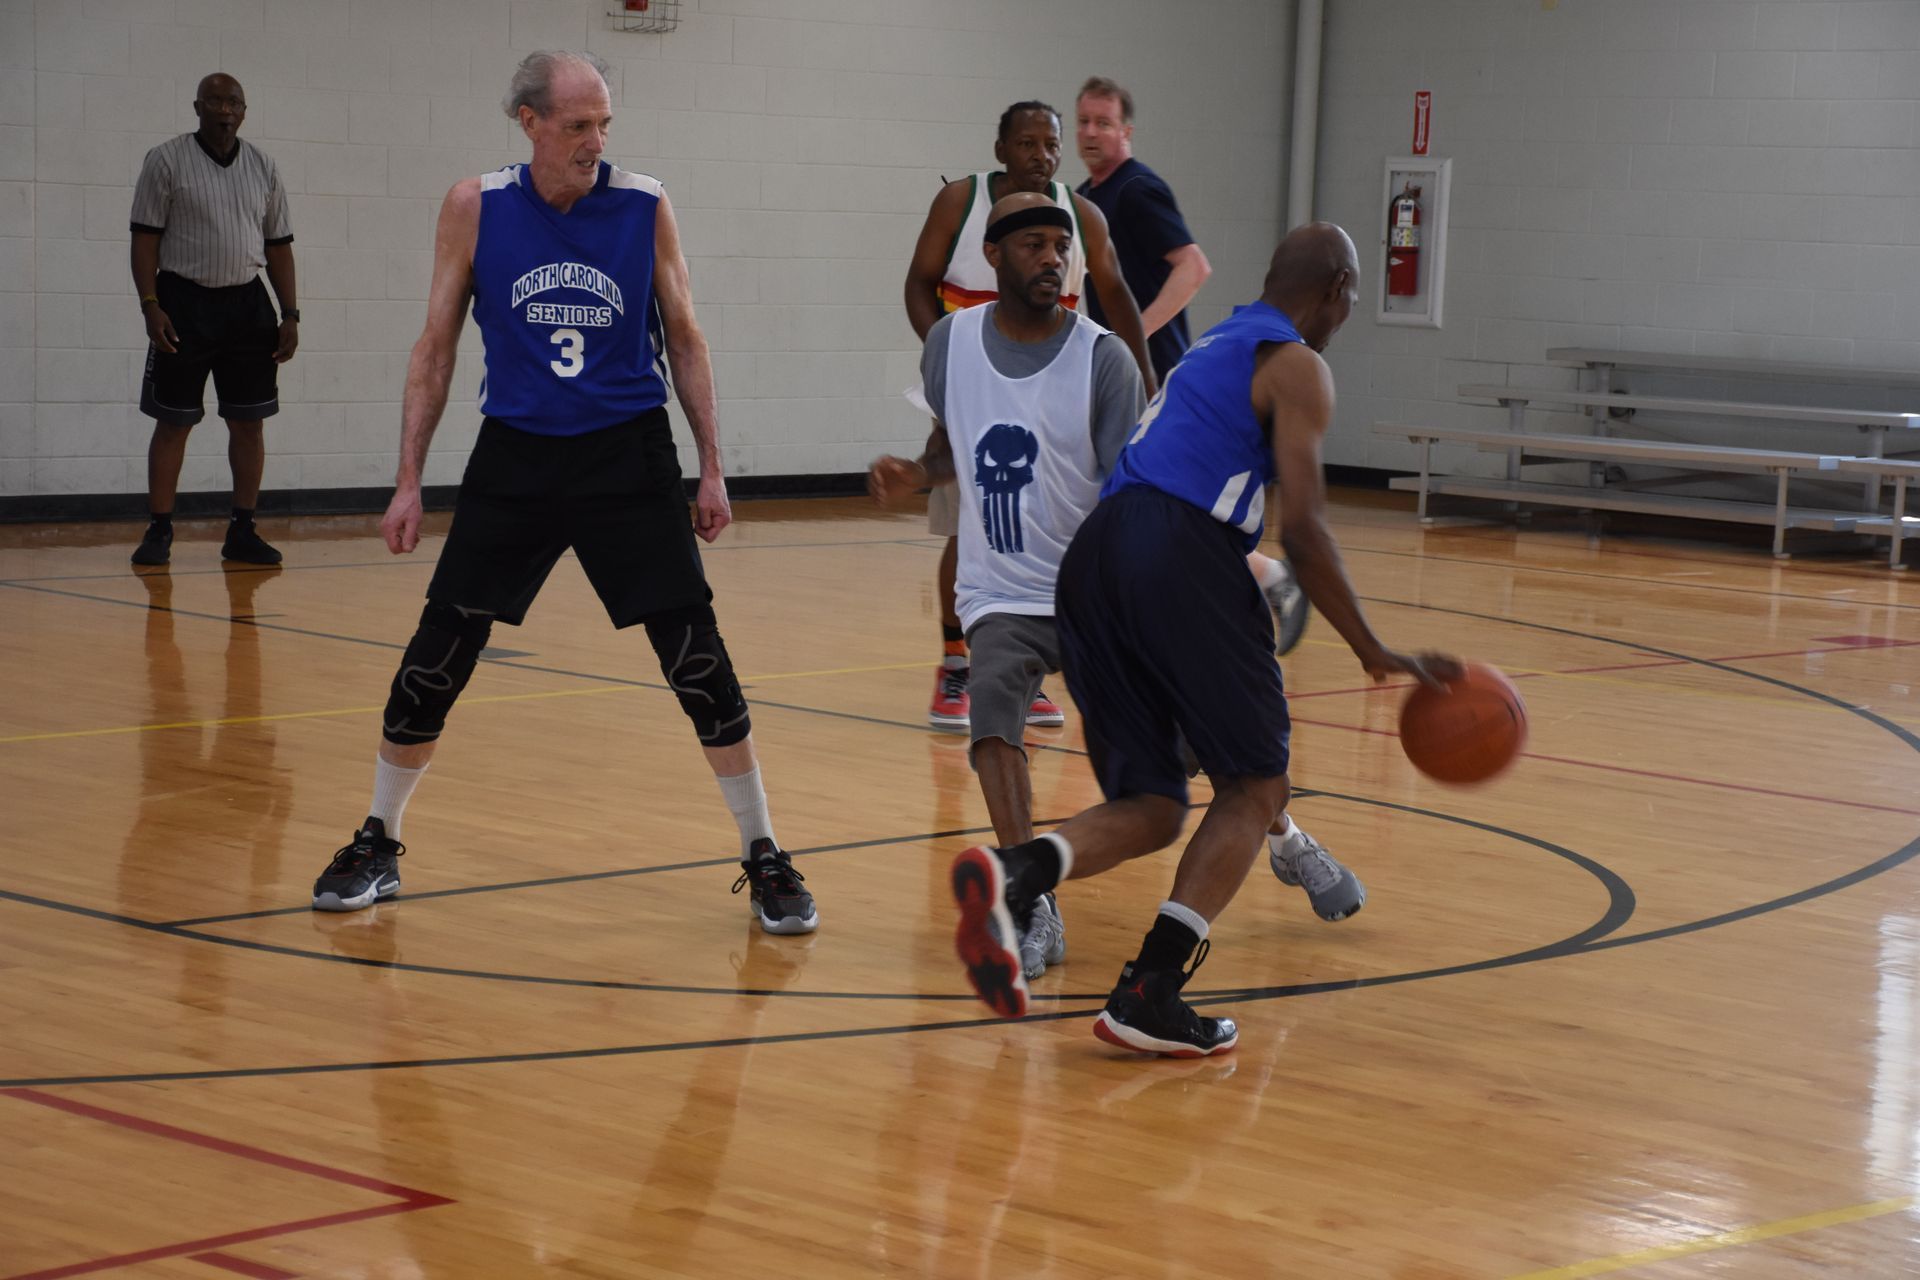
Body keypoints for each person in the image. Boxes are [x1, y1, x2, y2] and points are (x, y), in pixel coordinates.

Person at [308, 51, 817, 937]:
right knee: (439, 650)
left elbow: (687, 340)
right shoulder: (476, 207)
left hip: (627, 457)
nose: (596, 142)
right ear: (530, 122)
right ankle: (378, 840)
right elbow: (434, 347)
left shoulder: (644, 204)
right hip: (518, 459)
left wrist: (712, 465)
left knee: (695, 657)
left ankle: (764, 852)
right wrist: (406, 482)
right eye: (578, 126)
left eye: (604, 124)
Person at [948, 223, 1460, 1056]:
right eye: (1355, 296)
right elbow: (1308, 531)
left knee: (1152, 808)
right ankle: (1148, 993)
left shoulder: (1215, 343)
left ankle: (1017, 874)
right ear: (1335, 289)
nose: (1350, 313)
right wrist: (1373, 647)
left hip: (1096, 560)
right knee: (1257, 788)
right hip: (1178, 552)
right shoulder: (1298, 365)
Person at [871, 191, 1146, 981]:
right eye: (1032, 244)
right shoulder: (951, 341)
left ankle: (1280, 828)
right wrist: (918, 472)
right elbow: (950, 440)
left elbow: (1134, 488)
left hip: (1094, 590)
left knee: (1181, 745)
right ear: (992, 258)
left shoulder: (1104, 358)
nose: (1052, 258)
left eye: (1061, 245)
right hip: (1000, 592)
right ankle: (1030, 895)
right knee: (992, 721)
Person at [903, 101, 1156, 734]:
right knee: (971, 523)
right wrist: (960, 364)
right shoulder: (961, 202)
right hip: (976, 384)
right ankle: (958, 661)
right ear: (1000, 150)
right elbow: (917, 283)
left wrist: (1149, 383)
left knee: (1053, 522)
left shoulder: (1083, 215)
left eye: (1051, 145)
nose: (1041, 156)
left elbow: (1118, 295)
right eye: (1026, 144)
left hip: (1051, 389)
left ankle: (1026, 666)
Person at [1074, 75, 1310, 658]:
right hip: (1110, 371)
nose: (1090, 132)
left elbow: (1193, 268)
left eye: (1103, 122)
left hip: (1147, 374)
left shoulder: (1136, 191)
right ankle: (1255, 581)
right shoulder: (1086, 196)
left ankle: (1255, 582)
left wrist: (1134, 334)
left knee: (1139, 505)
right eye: (1083, 121)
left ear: (1126, 131)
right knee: (1120, 503)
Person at [128, 73, 299, 568]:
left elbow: (279, 246)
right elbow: (144, 239)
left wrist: (290, 313)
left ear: (244, 111)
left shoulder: (264, 167)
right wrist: (149, 303)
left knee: (249, 423)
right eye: (217, 101)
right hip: (183, 302)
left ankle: (242, 530)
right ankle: (159, 529)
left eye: (235, 102)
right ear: (198, 106)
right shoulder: (165, 161)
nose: (226, 110)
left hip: (248, 304)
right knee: (173, 423)